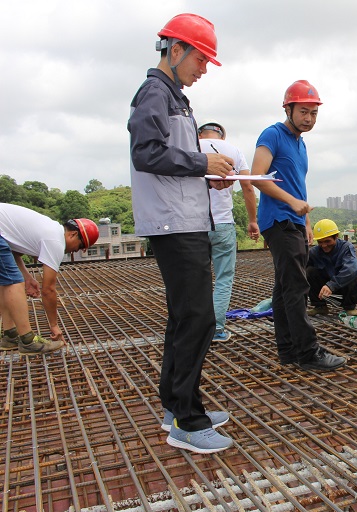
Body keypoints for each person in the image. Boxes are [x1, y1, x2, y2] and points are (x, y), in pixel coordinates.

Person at [128, 13, 236, 453]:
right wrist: (201, 164)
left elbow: (169, 159)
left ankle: (178, 405)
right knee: (198, 318)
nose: (204, 69)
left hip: (183, 218)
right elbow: (146, 152)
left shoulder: (174, 96)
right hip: (174, 224)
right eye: (201, 59)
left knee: (185, 318)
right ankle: (188, 424)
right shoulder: (155, 92)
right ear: (176, 51)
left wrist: (208, 175)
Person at [249, 80, 346, 371]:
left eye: (314, 114)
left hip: (293, 221)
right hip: (278, 220)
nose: (309, 118)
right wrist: (291, 203)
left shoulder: (300, 144)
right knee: (296, 287)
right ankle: (308, 352)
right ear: (288, 108)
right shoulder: (273, 135)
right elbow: (256, 176)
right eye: (304, 112)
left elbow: (297, 185)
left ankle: (289, 350)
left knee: (283, 289)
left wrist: (305, 221)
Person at [0, 205, 98, 353]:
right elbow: (48, 290)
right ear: (72, 234)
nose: (75, 251)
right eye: (80, 246)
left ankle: (10, 336)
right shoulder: (56, 241)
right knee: (14, 283)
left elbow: (12, 250)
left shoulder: (50, 229)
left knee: (8, 281)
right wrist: (54, 326)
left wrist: (27, 277)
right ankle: (28, 341)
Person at [198, 121, 259, 342]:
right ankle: (217, 330)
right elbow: (247, 186)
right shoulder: (233, 150)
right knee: (223, 278)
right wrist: (252, 220)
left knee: (196, 279)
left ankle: (195, 330)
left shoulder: (191, 147)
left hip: (193, 224)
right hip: (223, 223)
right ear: (222, 136)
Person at [306, 219, 357, 317]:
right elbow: (300, 270)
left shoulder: (346, 248)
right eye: (320, 242)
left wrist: (331, 285)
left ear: (336, 237)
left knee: (353, 275)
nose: (324, 245)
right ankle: (320, 307)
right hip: (325, 294)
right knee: (309, 271)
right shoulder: (314, 252)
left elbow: (352, 269)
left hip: (346, 292)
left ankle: (349, 307)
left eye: (327, 241)